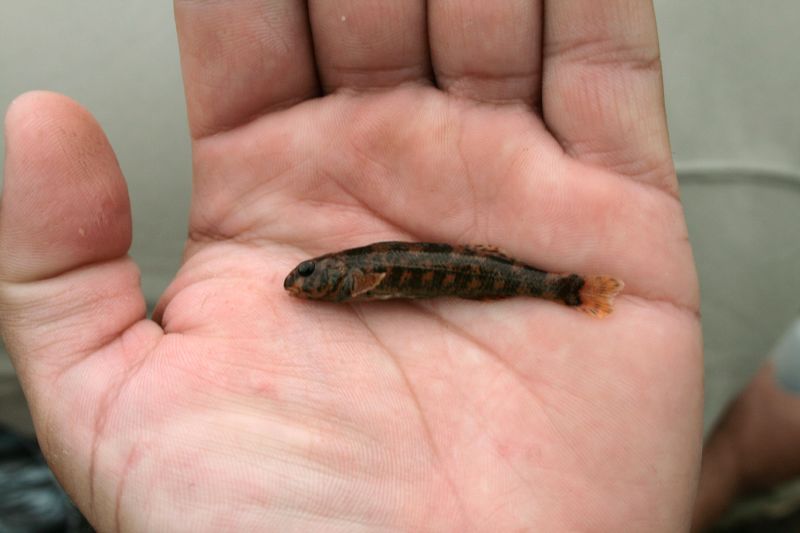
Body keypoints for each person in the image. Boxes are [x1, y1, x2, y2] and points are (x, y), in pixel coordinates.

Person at [0, 1, 703, 530]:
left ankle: (566, 291)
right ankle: (564, 291)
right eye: (306, 279)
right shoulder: (351, 278)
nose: (302, 285)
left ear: (344, 281)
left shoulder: (356, 281)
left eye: (308, 278)